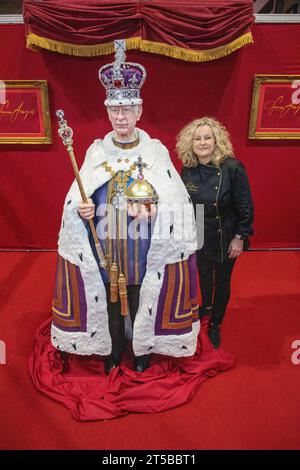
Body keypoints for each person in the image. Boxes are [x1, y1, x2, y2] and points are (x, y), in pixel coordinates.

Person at [51, 40, 199, 374]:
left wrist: (155, 210)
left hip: (143, 249)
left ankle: (142, 349)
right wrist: (81, 211)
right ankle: (113, 350)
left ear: (139, 112)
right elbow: (75, 201)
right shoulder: (95, 153)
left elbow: (177, 202)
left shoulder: (156, 152)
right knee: (110, 300)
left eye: (128, 110)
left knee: (139, 297)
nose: (121, 117)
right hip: (105, 247)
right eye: (115, 110)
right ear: (108, 113)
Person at [176, 117, 254, 348]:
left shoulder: (232, 167)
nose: (202, 142)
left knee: (222, 281)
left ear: (216, 140)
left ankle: (216, 323)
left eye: (207, 137)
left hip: (225, 233)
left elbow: (245, 205)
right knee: (202, 275)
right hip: (199, 230)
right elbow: (183, 203)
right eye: (197, 138)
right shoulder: (188, 168)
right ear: (190, 143)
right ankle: (206, 307)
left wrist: (239, 237)